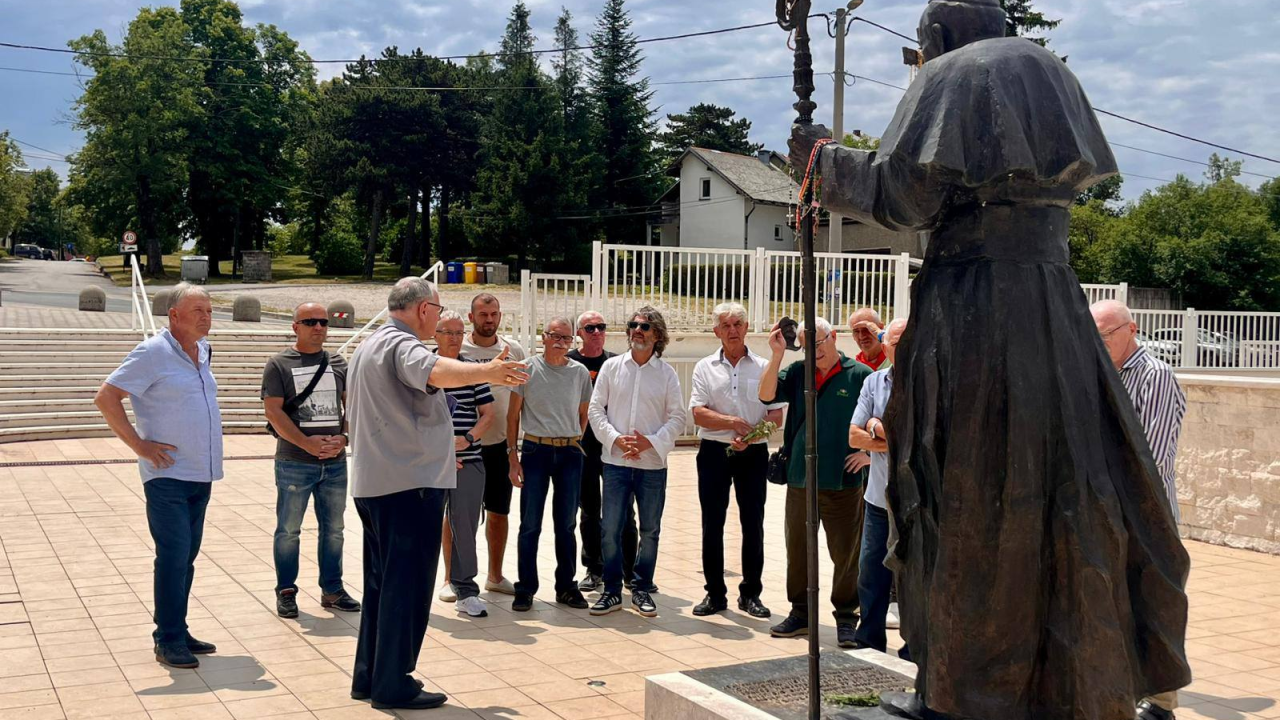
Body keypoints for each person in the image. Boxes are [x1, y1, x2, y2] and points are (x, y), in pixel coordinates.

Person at [788, 0, 1191, 716]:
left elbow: (907, 193)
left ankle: (959, 695)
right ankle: (1054, 687)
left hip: (975, 309)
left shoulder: (955, 71)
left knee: (965, 499)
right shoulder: (1050, 74)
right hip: (1051, 307)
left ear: (939, 35)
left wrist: (825, 161)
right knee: (1050, 499)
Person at [346, 278, 527, 711]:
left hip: (378, 484)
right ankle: (394, 681)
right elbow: (435, 370)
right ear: (423, 309)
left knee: (382, 586)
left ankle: (371, 676)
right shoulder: (402, 344)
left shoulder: (369, 345)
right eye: (438, 309)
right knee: (407, 588)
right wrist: (488, 371)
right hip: (409, 486)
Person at [94, 283, 222, 669]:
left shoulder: (203, 351)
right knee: (173, 555)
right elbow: (106, 397)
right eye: (197, 310)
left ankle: (176, 629)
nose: (206, 317)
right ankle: (167, 639)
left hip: (202, 474)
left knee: (186, 558)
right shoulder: (152, 352)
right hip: (166, 476)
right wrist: (140, 446)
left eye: (210, 310)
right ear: (174, 315)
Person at [1092, 299, 1188, 720]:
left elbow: (1152, 459)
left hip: (1148, 518)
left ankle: (1162, 701)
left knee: (1155, 604)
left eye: (1105, 334)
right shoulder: (1101, 374)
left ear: (1131, 331)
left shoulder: (1155, 376)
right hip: (1109, 511)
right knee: (1117, 601)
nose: (1098, 342)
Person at [758, 317, 870, 648]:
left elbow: (884, 417)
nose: (814, 351)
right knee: (799, 549)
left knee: (846, 554)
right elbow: (766, 396)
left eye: (819, 343)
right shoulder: (797, 372)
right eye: (807, 345)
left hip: (844, 481)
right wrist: (777, 354)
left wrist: (870, 455)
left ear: (834, 337)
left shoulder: (860, 375)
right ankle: (801, 613)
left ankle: (847, 617)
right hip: (800, 479)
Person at [262, 302, 360, 620]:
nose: (318, 327)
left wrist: (344, 439)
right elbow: (273, 412)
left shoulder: (338, 362)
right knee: (289, 530)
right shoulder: (278, 364)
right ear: (295, 326)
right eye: (310, 322)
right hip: (294, 462)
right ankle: (286, 591)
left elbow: (352, 407)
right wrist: (305, 442)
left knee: (334, 529)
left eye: (323, 322)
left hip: (333, 463)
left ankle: (332, 589)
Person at [587, 307, 686, 617]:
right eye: (633, 325)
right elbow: (595, 410)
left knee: (650, 530)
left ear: (657, 335)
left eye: (644, 326)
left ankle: (641, 589)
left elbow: (678, 417)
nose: (637, 330)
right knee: (610, 529)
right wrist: (616, 439)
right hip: (615, 462)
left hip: (651, 466)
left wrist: (650, 442)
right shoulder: (611, 367)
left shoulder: (667, 374)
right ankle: (612, 591)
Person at [689, 302, 783, 619]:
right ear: (716, 330)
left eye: (738, 323)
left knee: (752, 523)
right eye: (726, 325)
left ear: (746, 327)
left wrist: (753, 436)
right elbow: (698, 412)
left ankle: (751, 595)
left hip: (753, 454)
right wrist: (732, 423)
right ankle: (715, 594)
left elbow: (776, 415)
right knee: (711, 524)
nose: (733, 330)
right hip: (714, 451)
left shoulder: (763, 366)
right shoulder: (704, 367)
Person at [508, 317, 595, 612]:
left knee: (566, 524)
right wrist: (512, 456)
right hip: (535, 451)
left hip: (569, 453)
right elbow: (512, 416)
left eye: (566, 338)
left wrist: (575, 440)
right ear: (543, 337)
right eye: (555, 336)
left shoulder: (580, 373)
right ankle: (525, 588)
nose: (560, 341)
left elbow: (584, 414)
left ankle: (567, 587)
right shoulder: (527, 369)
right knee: (530, 524)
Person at [567, 311, 638, 592]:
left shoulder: (616, 362)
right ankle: (593, 569)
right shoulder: (571, 362)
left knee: (624, 511)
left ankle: (630, 571)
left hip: (613, 445)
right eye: (590, 328)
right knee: (589, 511)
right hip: (583, 447)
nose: (596, 332)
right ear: (579, 333)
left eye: (601, 327)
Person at [848, 318, 907, 653]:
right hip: (878, 499)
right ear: (885, 348)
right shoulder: (874, 382)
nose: (899, 348)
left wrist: (876, 425)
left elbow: (918, 439)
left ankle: (914, 648)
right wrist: (879, 431)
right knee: (871, 575)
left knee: (912, 579)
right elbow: (853, 435)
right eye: (894, 343)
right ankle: (869, 641)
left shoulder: (930, 383)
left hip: (915, 501)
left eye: (905, 341)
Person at [462, 293, 527, 596]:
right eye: (483, 314)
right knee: (458, 516)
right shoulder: (457, 351)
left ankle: (495, 576)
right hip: (464, 446)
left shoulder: (514, 351)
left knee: (499, 513)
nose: (489, 320)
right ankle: (453, 578)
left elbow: (521, 401)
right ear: (470, 316)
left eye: (494, 314)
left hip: (500, 445)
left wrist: (515, 451)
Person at [434, 311, 497, 619]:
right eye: (448, 332)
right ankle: (414, 588)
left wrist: (469, 438)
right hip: (429, 464)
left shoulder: (473, 369)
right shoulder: (424, 368)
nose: (455, 338)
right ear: (435, 334)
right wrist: (441, 451)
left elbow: (488, 414)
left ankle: (466, 590)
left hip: (469, 460)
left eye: (460, 332)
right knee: (422, 528)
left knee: (466, 527)